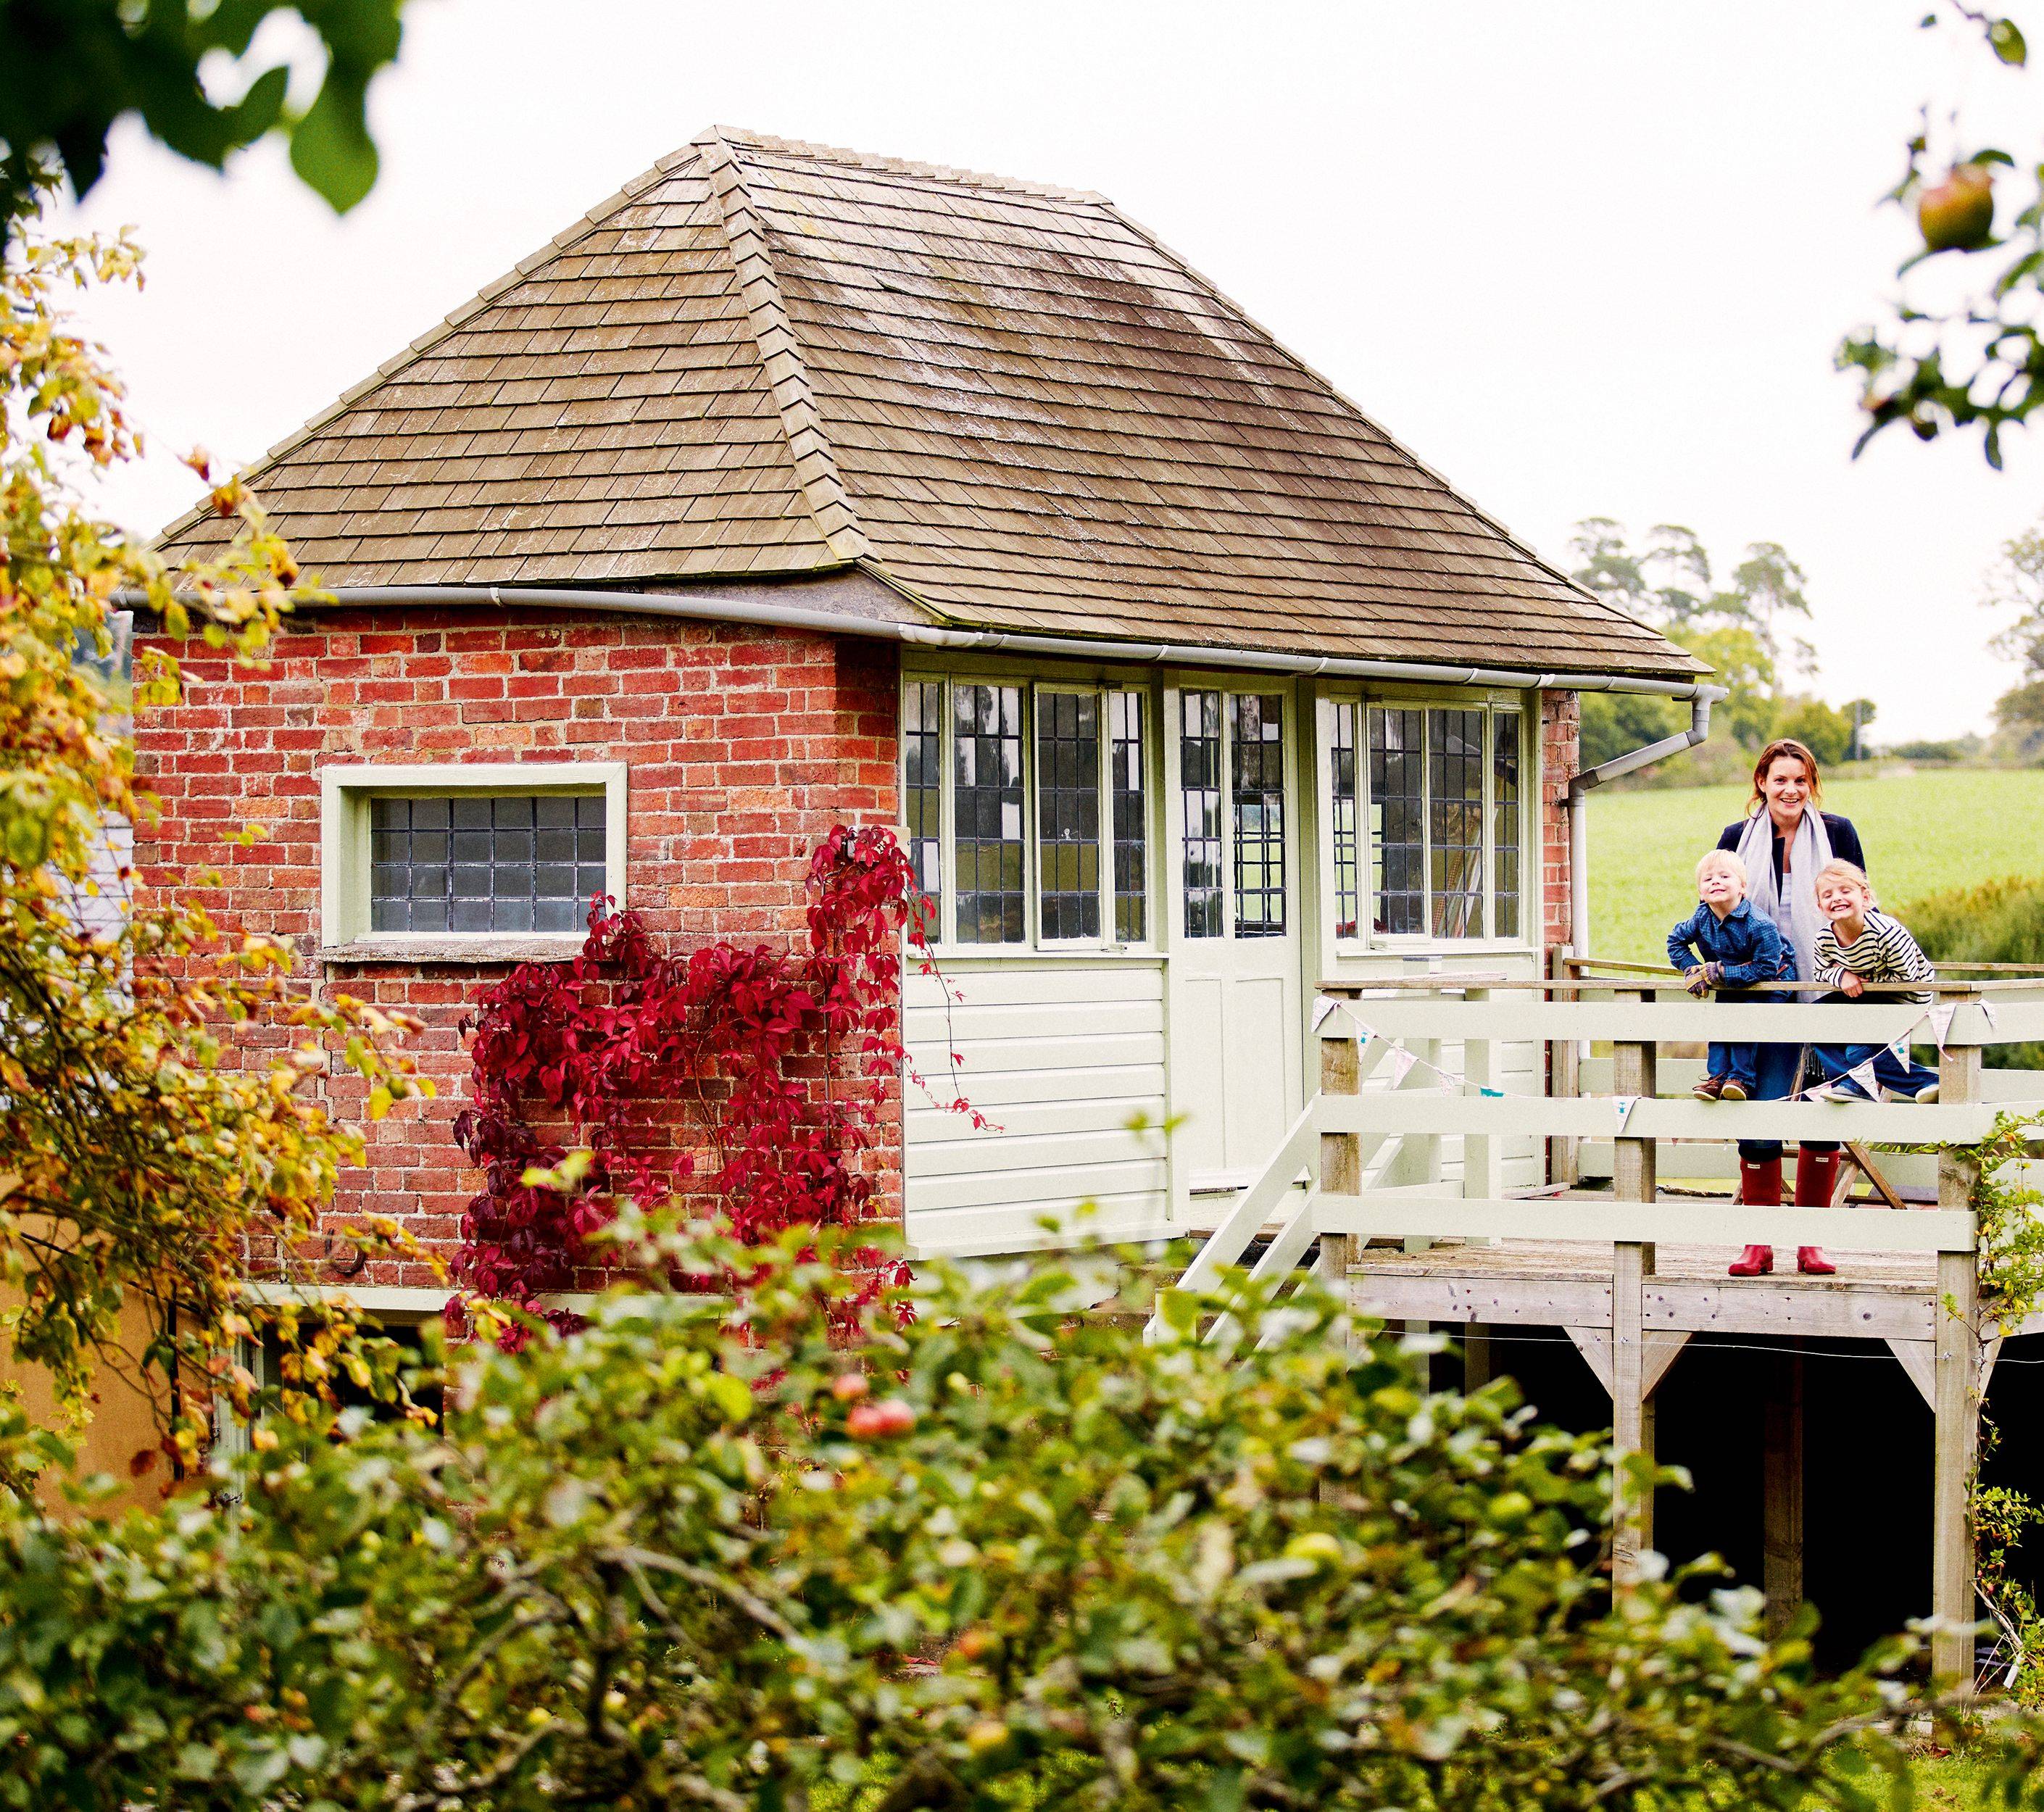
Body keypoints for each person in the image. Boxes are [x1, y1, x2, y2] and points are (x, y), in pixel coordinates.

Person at [1715, 738, 1867, 1277]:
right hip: (1759, 996)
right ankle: (1758, 1244)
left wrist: (1857, 963)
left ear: (1812, 784)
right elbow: (1717, 909)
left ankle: (1810, 1244)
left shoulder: (1839, 834)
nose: (1790, 790)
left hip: (1828, 990)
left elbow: (1861, 906)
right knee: (1758, 1113)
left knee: (1821, 1116)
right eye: (1780, 779)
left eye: (1800, 780)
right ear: (1762, 783)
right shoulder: (1737, 839)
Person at [1803, 860, 1942, 1102]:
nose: (1836, 898)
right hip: (1864, 995)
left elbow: (1908, 978)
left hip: (1905, 997)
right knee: (1816, 1016)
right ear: (1820, 906)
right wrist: (1842, 975)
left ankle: (1928, 1082)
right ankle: (1850, 1082)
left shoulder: (1886, 933)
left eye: (1846, 891)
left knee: (1858, 1051)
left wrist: (1866, 983)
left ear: (1865, 897)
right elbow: (1821, 971)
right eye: (1828, 895)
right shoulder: (1825, 937)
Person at [1666, 849, 1790, 1102]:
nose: (1716, 882)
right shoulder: (1702, 917)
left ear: (1742, 887)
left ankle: (1741, 1079)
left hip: (1772, 981)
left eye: (1725, 876)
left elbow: (1766, 968)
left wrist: (1720, 971)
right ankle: (1718, 1077)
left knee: (1745, 1018)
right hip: (1731, 979)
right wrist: (1693, 970)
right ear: (1701, 892)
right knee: (1721, 1020)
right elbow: (1675, 941)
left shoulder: (1758, 923)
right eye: (1708, 879)